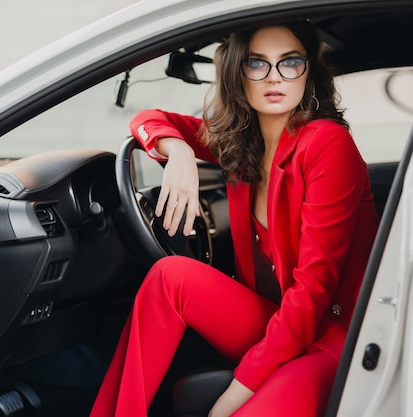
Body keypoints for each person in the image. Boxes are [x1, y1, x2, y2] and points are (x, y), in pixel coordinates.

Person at [90, 20, 379, 417]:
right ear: (236, 74)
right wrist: (179, 154)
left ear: (307, 72)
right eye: (257, 64)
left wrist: (233, 396)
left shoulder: (326, 143)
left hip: (334, 334)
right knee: (168, 276)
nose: (275, 77)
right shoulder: (240, 144)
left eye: (290, 62)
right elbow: (149, 118)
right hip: (279, 319)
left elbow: (314, 292)